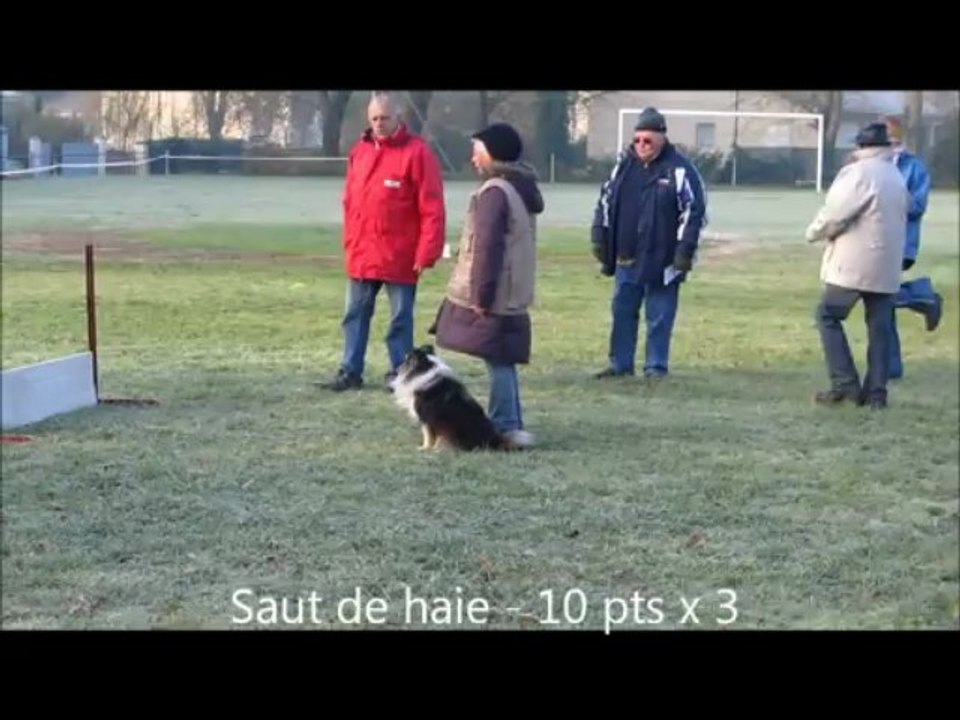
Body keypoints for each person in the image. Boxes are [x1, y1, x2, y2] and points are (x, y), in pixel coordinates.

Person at [320, 92, 446, 392]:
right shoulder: (360, 152)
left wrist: (427, 252)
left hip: (401, 255)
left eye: (384, 118)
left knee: (400, 320)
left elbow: (432, 208)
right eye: (374, 118)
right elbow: (351, 203)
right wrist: (350, 243)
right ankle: (350, 371)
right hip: (363, 253)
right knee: (354, 315)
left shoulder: (418, 153)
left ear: (398, 117)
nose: (378, 123)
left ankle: (401, 373)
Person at [430, 122, 543, 447]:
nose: (473, 158)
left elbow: (488, 247)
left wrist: (481, 294)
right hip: (511, 289)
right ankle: (511, 422)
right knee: (501, 357)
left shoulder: (495, 193)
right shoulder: (518, 187)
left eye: (477, 151)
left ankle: (505, 426)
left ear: (494, 154)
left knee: (498, 358)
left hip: (496, 291)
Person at [589, 107, 707, 380]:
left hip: (663, 259)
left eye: (648, 140)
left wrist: (684, 250)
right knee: (622, 312)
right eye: (637, 140)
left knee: (659, 316)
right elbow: (605, 201)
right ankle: (620, 364)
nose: (642, 145)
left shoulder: (679, 169)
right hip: (626, 255)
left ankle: (655, 367)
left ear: (662, 138)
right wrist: (599, 235)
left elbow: (693, 212)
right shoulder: (623, 166)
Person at [805, 122, 909, 409]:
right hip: (888, 263)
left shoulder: (858, 173)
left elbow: (836, 214)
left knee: (828, 315)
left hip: (855, 262)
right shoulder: (894, 173)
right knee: (880, 328)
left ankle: (845, 384)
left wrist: (813, 233)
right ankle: (876, 394)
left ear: (861, 146)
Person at [882, 115, 942, 380]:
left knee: (879, 297)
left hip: (900, 242)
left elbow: (917, 206)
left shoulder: (915, 167)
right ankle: (922, 295)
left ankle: (924, 296)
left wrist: (887, 199)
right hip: (875, 241)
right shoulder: (871, 165)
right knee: (880, 298)